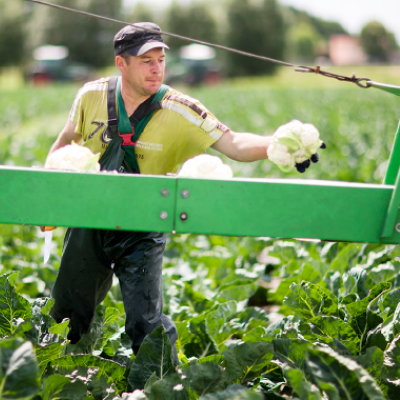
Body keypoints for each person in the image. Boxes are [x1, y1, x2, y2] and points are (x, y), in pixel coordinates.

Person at [44, 22, 317, 362]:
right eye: (146, 61)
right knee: (67, 314)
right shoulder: (91, 95)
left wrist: (280, 145)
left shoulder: (180, 107)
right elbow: (63, 146)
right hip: (89, 218)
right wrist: (49, 202)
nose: (156, 68)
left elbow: (233, 143)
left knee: (146, 324)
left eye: (160, 59)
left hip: (142, 226)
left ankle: (158, 383)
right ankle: (60, 373)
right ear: (121, 63)